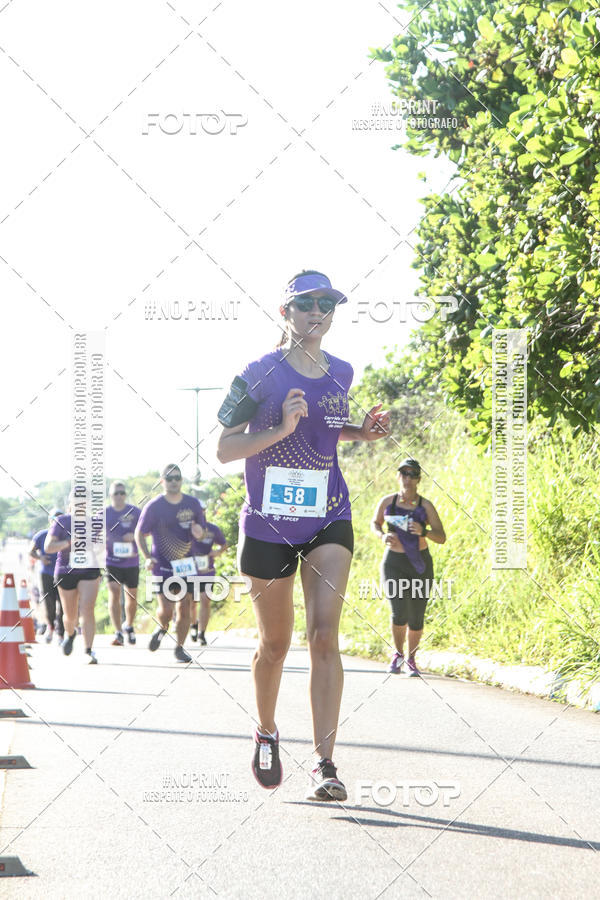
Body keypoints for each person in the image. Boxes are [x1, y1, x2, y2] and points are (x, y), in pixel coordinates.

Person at [216, 269, 390, 801]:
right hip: (268, 522)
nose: (318, 311)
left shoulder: (342, 371)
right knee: (275, 644)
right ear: (284, 311)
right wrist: (281, 431)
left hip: (328, 514)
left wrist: (365, 431)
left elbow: (328, 427)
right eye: (306, 303)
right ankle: (266, 730)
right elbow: (225, 449)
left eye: (327, 303)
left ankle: (325, 763)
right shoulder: (257, 373)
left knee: (323, 636)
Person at [371, 458, 446, 677]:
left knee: (416, 615)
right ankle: (398, 655)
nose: (408, 479)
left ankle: (412, 659)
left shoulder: (426, 506)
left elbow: (441, 537)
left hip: (420, 564)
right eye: (404, 474)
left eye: (412, 475)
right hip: (393, 563)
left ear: (419, 479)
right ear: (398, 477)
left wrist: (424, 531)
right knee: (399, 612)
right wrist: (382, 535)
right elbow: (375, 523)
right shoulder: (388, 502)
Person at [135, 464, 207, 662]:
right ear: (162, 481)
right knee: (166, 610)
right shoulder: (154, 506)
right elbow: (139, 533)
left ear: (181, 480)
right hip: (162, 566)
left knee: (184, 607)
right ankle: (162, 628)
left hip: (186, 565)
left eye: (177, 478)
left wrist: (199, 533)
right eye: (169, 478)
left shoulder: (193, 504)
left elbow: (202, 530)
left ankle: (179, 648)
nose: (174, 481)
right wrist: (147, 557)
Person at [44, 500, 102, 664]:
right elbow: (49, 547)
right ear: (70, 504)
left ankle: (88, 650)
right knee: (70, 616)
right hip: (65, 571)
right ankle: (70, 633)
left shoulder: (95, 522)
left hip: (89, 570)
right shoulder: (61, 521)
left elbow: (104, 546)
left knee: (87, 609)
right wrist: (70, 542)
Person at [105, 481, 141, 646]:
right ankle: (118, 631)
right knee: (114, 592)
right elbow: (93, 534)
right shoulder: (104, 513)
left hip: (131, 561)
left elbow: (145, 530)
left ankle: (129, 625)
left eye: (122, 493)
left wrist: (134, 535)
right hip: (112, 561)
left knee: (131, 597)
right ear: (110, 496)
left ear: (125, 495)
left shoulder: (134, 512)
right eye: (115, 493)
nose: (119, 496)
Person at [29, 509, 64, 644]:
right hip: (46, 573)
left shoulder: (67, 535)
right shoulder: (42, 535)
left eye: (61, 518)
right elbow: (31, 551)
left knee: (62, 604)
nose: (58, 521)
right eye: (55, 518)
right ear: (50, 520)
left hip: (63, 573)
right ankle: (50, 626)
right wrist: (40, 557)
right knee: (49, 602)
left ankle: (61, 633)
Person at [189, 520, 227, 645]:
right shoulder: (185, 528)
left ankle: (202, 633)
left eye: (203, 511)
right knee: (192, 603)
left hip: (207, 570)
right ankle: (193, 624)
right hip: (190, 571)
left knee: (205, 600)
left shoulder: (212, 528)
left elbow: (224, 544)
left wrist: (217, 552)